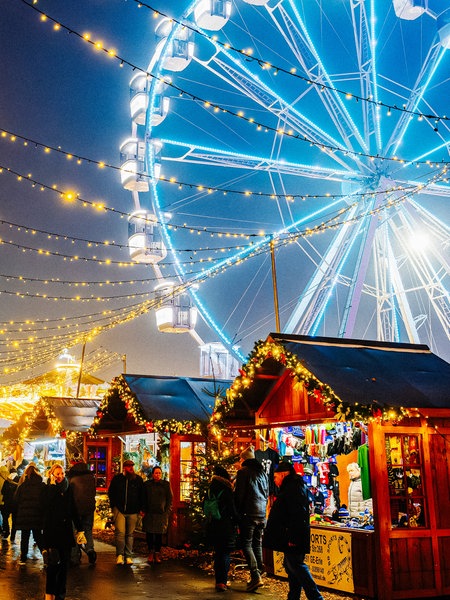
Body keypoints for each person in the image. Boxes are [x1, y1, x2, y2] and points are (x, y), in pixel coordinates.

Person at [263, 462, 324, 600]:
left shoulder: (292, 489)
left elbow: (297, 515)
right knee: (291, 567)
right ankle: (294, 597)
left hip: (294, 537)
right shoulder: (292, 487)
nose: (274, 480)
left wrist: (294, 538)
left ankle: (316, 597)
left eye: (275, 477)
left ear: (283, 474)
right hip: (291, 535)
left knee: (296, 566)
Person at [234, 445, 269, 592]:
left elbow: (239, 496)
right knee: (257, 544)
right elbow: (266, 493)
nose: (240, 460)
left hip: (248, 514)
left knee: (246, 544)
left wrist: (236, 513)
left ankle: (255, 576)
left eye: (241, 458)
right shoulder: (263, 473)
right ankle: (258, 573)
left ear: (245, 459)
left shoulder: (243, 472)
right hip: (261, 514)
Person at [41, 463, 78, 600]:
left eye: (62, 473)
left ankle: (60, 593)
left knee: (64, 564)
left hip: (66, 532)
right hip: (52, 532)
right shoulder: (47, 488)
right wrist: (52, 486)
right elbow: (45, 504)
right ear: (52, 475)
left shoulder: (68, 489)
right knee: (53, 564)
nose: (60, 476)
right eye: (57, 474)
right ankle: (49, 592)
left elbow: (73, 509)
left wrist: (80, 529)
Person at [204, 465, 238, 593]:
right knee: (225, 553)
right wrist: (238, 521)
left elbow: (204, 506)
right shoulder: (227, 490)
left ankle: (218, 580)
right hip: (225, 525)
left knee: (218, 553)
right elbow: (231, 509)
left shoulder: (210, 488)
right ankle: (223, 582)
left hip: (213, 524)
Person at [108, 459, 145, 565]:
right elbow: (111, 492)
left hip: (133, 510)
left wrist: (141, 508)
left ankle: (128, 555)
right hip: (119, 510)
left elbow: (142, 495)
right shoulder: (117, 479)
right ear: (124, 467)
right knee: (120, 533)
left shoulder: (138, 480)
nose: (131, 468)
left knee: (129, 534)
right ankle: (120, 555)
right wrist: (114, 506)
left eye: (132, 466)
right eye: (129, 466)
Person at [14, 463, 45, 563]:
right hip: (37, 515)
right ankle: (44, 552)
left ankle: (23, 557)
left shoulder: (23, 486)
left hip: (24, 516)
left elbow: (16, 499)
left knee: (25, 537)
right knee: (38, 536)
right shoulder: (41, 486)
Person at [67, 458, 97, 564]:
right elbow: (94, 492)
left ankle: (74, 556)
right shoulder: (90, 477)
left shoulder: (72, 478)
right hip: (89, 508)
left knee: (74, 532)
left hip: (76, 509)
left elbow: (69, 494)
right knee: (88, 530)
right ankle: (90, 550)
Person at [142, 465, 173, 564]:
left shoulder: (166, 485)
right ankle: (150, 552)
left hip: (161, 513)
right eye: (156, 473)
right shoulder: (147, 485)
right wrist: (143, 510)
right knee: (150, 533)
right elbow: (143, 497)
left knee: (159, 534)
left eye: (159, 473)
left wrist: (167, 511)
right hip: (149, 513)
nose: (158, 475)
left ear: (161, 474)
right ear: (152, 474)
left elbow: (169, 499)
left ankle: (157, 553)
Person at [1, 467, 19, 540]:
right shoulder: (19, 479)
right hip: (15, 503)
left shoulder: (7, 481)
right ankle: (13, 536)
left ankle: (7, 532)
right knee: (14, 520)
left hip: (7, 503)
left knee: (5, 518)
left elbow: (3, 491)